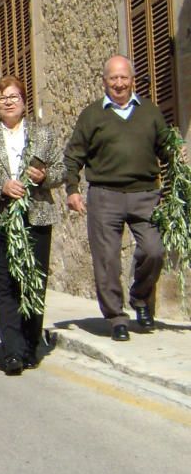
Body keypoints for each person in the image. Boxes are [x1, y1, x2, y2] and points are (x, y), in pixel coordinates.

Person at [64, 55, 173, 342]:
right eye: (113, 78)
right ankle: (116, 318)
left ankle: (139, 297)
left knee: (154, 250)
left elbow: (167, 150)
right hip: (104, 196)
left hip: (145, 194)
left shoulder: (150, 112)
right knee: (107, 260)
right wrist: (72, 189)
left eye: (124, 77)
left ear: (132, 80)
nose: (119, 83)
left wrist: (178, 165)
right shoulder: (91, 115)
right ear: (104, 82)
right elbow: (73, 155)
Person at [0, 78, 64, 374]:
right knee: (5, 282)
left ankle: (31, 344)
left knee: (34, 281)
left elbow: (61, 170)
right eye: (1, 97)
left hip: (36, 216)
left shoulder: (44, 135)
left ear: (24, 100)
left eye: (13, 96)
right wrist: (1, 186)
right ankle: (11, 350)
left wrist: (44, 177)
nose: (8, 102)